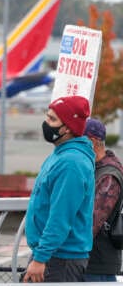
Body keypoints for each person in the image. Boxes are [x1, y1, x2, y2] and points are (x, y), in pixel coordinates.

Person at [23, 95, 95, 283]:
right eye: (47, 116)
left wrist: (40, 258)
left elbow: (60, 217)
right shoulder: (60, 155)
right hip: (52, 255)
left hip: (60, 259)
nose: (46, 123)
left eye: (52, 119)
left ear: (68, 128)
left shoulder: (71, 163)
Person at [83, 118, 123, 282]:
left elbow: (92, 222)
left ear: (92, 141)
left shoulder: (107, 176)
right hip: (93, 260)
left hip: (96, 263)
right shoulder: (96, 168)